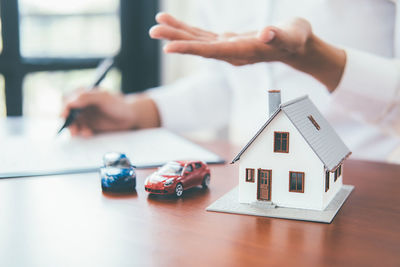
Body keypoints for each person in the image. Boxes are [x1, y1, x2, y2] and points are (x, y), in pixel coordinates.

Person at [62, 0, 400, 162]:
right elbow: (230, 86)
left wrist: (314, 58)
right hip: (253, 187)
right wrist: (136, 111)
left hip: (373, 182)